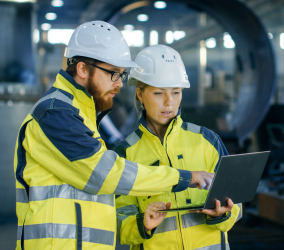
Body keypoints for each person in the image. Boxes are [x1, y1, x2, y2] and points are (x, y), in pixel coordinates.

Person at [13, 21, 214, 250]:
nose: (119, 84)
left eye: (122, 74)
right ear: (82, 69)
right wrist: (181, 177)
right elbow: (104, 174)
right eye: (113, 74)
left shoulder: (81, 114)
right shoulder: (55, 113)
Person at [115, 45, 243, 250]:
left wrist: (224, 213)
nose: (169, 102)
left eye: (176, 92)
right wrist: (143, 224)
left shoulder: (207, 141)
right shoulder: (125, 154)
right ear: (140, 94)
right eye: (158, 93)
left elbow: (236, 203)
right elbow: (119, 223)